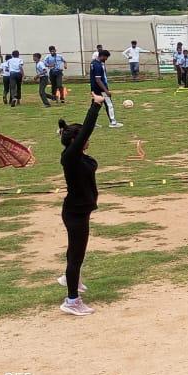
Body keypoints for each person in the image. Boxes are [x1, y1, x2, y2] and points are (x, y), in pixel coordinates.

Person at [57, 93, 106, 316]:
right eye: (83, 139)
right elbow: (87, 129)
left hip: (79, 211)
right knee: (76, 256)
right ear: (75, 142)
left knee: (75, 252)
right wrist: (95, 106)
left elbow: (84, 133)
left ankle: (69, 278)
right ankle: (72, 301)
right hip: (75, 213)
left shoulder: (77, 156)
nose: (88, 140)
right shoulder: (71, 157)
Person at [89, 50, 123, 128]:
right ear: (102, 56)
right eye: (106, 57)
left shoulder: (93, 63)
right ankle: (113, 122)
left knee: (95, 106)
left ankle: (92, 123)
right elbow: (98, 80)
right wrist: (106, 90)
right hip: (101, 89)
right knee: (109, 104)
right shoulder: (98, 65)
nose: (106, 59)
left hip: (94, 89)